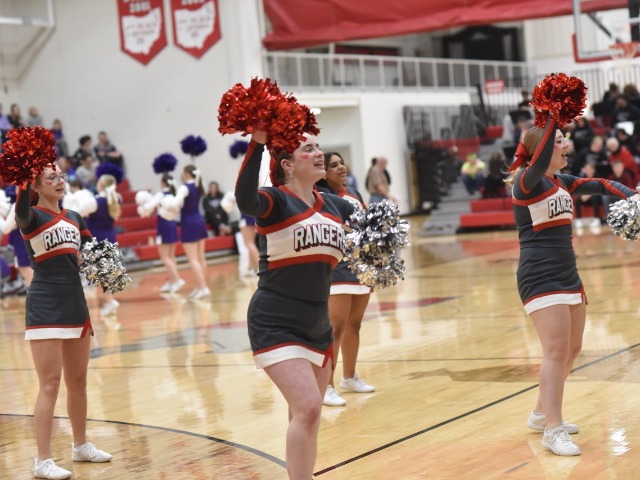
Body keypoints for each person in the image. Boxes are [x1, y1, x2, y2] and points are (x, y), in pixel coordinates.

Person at [507, 116, 639, 456]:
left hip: (568, 274)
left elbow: (602, 184)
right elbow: (538, 162)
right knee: (554, 351)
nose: (567, 145)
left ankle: (540, 414)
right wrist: (553, 115)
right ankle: (553, 430)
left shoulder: (562, 181)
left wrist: (633, 196)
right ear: (541, 149)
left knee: (573, 348)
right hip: (539, 275)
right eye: (560, 141)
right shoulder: (526, 181)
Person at [235, 130, 353, 479]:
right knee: (309, 407)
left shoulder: (334, 205)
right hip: (276, 320)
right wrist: (257, 144)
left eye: (318, 147)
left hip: (318, 325)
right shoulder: (275, 201)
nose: (318, 153)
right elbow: (245, 200)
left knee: (306, 416)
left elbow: (370, 223)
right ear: (287, 164)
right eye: (308, 149)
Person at [15, 165, 112, 479]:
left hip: (75, 304)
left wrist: (106, 266)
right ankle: (42, 460)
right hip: (45, 305)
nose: (60, 182)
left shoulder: (74, 217)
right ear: (36, 186)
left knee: (78, 381)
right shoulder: (30, 217)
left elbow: (92, 253)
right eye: (51, 178)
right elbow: (20, 208)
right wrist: (23, 175)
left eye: (62, 177)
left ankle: (80, 446)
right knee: (50, 384)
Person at [316, 152, 373, 407]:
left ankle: (349, 377)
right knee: (335, 326)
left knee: (354, 324)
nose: (341, 167)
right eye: (333, 165)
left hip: (360, 266)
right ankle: (325, 385)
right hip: (337, 266)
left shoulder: (354, 193)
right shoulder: (320, 197)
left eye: (341, 163)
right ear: (323, 173)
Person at [137, 173, 185, 294]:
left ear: (162, 183)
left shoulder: (160, 195)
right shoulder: (174, 195)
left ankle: (177, 280)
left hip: (164, 225)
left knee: (165, 257)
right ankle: (172, 281)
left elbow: (148, 208)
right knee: (171, 256)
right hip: (173, 225)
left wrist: (142, 204)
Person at [84, 174, 122, 317]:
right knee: (104, 272)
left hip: (97, 240)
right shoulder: (117, 198)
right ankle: (108, 301)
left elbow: (75, 213)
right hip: (110, 238)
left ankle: (110, 301)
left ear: (101, 185)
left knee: (101, 273)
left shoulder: (95, 202)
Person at [176, 164, 210, 299]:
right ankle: (201, 286)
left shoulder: (184, 188)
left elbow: (176, 204)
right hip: (199, 221)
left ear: (186, 173)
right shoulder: (199, 185)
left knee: (193, 259)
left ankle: (203, 288)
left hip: (188, 223)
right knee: (201, 257)